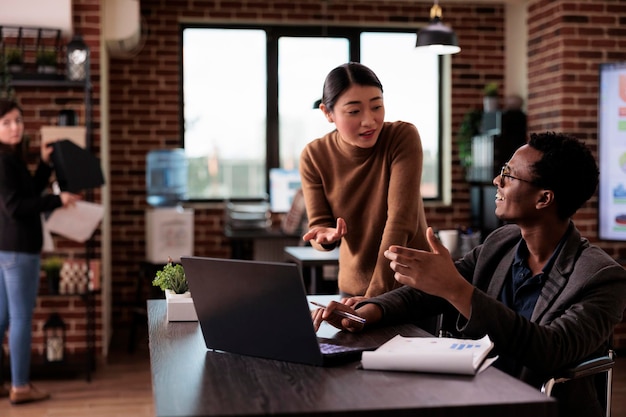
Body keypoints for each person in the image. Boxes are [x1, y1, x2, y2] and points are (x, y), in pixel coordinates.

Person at [313, 132, 626, 417]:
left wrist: (457, 291)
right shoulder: (501, 243)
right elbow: (427, 291)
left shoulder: (601, 277)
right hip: (473, 393)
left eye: (509, 175)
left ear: (544, 198)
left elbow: (551, 350)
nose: (496, 181)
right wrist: (367, 312)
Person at [299, 62, 429, 301]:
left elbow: (400, 221)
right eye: (354, 111)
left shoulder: (402, 137)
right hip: (353, 290)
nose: (369, 121)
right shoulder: (314, 156)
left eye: (377, 106)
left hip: (411, 288)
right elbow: (318, 226)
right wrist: (324, 238)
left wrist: (375, 299)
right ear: (328, 113)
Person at [0, 98, 81, 404]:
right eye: (6, 122)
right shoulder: (4, 160)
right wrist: (57, 201)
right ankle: (20, 386)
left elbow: (28, 193)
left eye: (18, 120)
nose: (14, 127)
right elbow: (16, 207)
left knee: (3, 318)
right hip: (19, 250)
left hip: (8, 248)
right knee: (20, 318)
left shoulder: (11, 157)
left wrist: (45, 165)